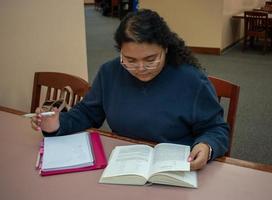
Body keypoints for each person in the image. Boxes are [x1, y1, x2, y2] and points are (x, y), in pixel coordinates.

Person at [31, 9, 229, 171]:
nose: (141, 69)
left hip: (175, 167)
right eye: (130, 60)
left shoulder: (191, 80)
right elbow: (87, 113)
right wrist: (57, 125)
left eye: (151, 59)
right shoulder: (110, 72)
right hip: (123, 163)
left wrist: (207, 146)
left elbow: (216, 128)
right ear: (121, 52)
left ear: (166, 49)